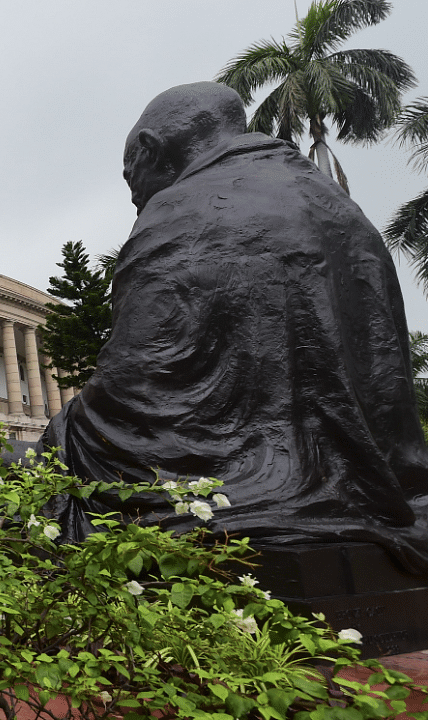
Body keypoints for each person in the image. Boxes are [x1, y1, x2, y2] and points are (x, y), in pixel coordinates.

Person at [39, 81, 428, 570]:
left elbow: (136, 384)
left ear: (148, 149)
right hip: (379, 486)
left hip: (245, 481)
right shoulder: (342, 209)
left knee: (20, 457)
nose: (134, 195)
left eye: (129, 175)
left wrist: (65, 428)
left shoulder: (177, 209)